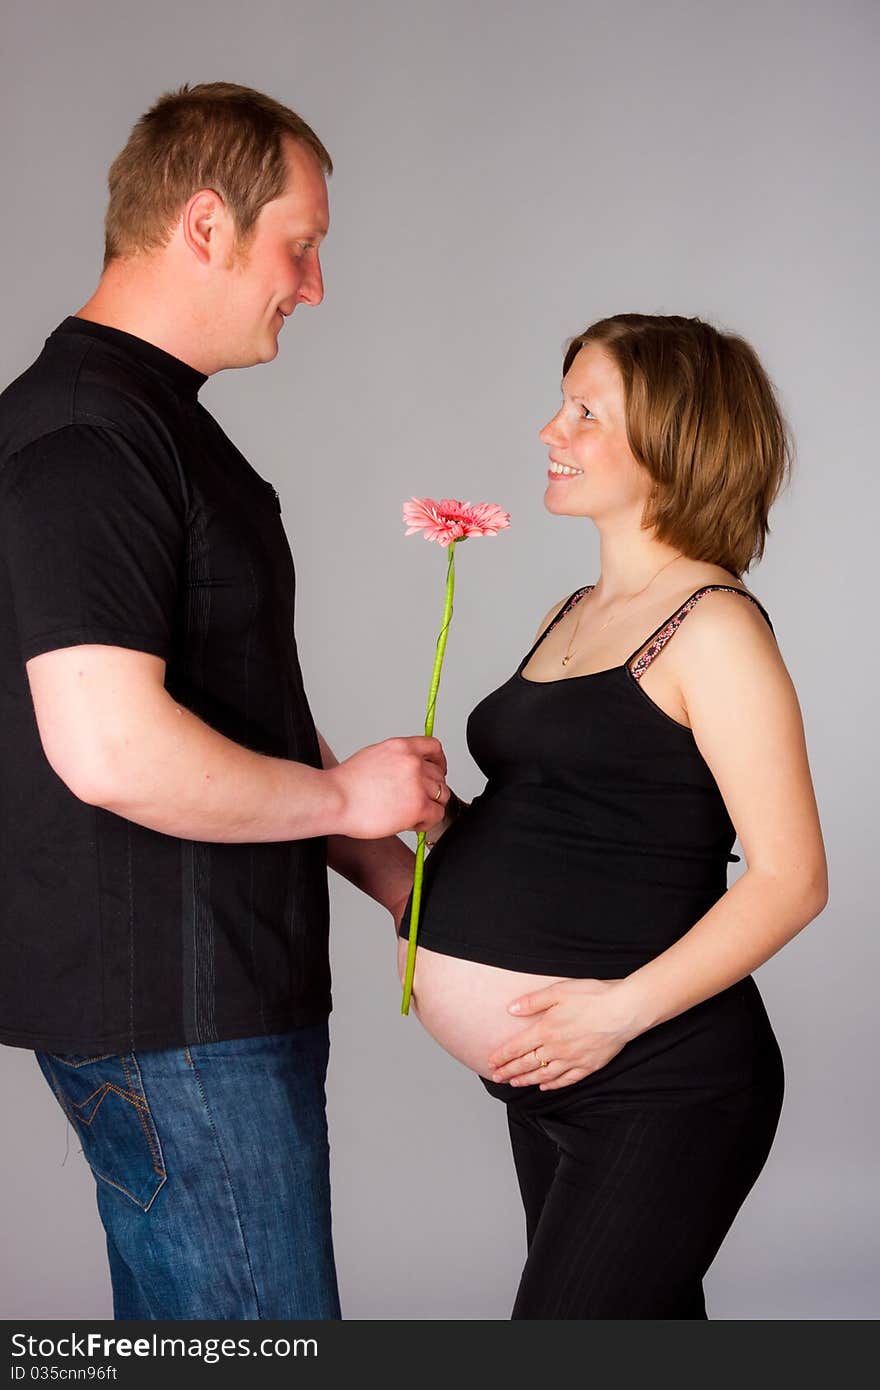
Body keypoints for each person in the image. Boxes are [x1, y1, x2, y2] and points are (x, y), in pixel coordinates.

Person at [0, 82, 448, 1321]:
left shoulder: (153, 424)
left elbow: (225, 695)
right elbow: (110, 747)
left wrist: (389, 869)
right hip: (177, 1024)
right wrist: (347, 790)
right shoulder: (91, 433)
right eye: (299, 247)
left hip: (205, 1012)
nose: (312, 285)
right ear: (206, 225)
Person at [398, 313, 828, 1319]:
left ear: (677, 441)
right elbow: (570, 837)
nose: (552, 431)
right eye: (562, 405)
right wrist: (418, 821)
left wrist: (611, 1016)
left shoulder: (711, 626)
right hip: (555, 1074)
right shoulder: (574, 611)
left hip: (655, 1080)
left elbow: (791, 877)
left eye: (586, 412)